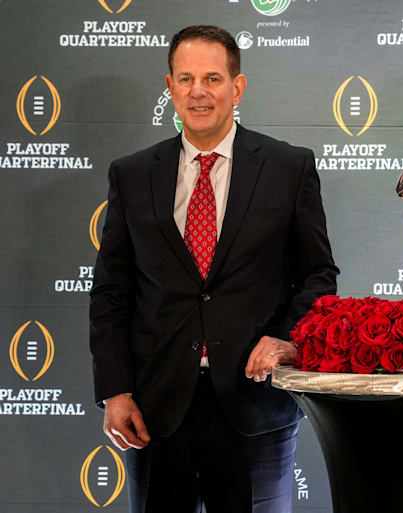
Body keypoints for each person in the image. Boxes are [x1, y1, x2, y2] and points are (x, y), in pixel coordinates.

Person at [89, 25, 338, 513]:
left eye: (212, 78)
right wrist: (115, 390)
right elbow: (112, 291)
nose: (197, 91)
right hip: (156, 409)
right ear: (170, 87)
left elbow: (318, 276)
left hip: (255, 405)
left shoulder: (288, 167)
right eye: (185, 79)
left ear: (237, 87)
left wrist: (286, 337)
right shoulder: (132, 174)